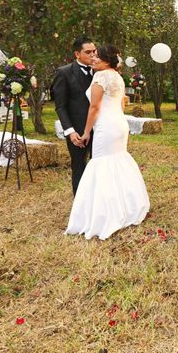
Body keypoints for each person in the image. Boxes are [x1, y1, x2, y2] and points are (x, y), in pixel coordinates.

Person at [65, 45, 150, 240]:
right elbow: (121, 103)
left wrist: (86, 132)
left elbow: (94, 107)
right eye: (92, 55)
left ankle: (106, 213)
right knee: (118, 160)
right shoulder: (117, 76)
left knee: (102, 163)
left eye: (97, 56)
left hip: (106, 126)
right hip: (119, 123)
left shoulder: (100, 77)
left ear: (106, 60)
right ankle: (128, 206)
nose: (93, 58)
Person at [51, 36, 97, 195]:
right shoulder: (64, 72)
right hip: (77, 131)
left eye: (94, 51)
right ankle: (80, 201)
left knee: (99, 166)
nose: (93, 55)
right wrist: (70, 131)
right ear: (77, 54)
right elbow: (60, 107)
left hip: (100, 128)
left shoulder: (100, 71)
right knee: (79, 166)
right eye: (88, 52)